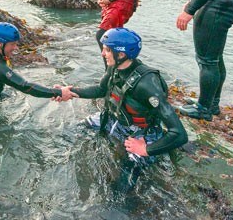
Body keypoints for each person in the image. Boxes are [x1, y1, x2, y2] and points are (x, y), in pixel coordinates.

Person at [56, 28, 187, 192]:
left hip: (142, 132)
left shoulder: (147, 84)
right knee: (70, 131)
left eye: (107, 50)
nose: (103, 54)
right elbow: (100, 90)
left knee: (123, 181)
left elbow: (179, 134)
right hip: (114, 119)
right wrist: (70, 92)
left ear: (121, 54)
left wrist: (146, 149)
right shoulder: (115, 67)